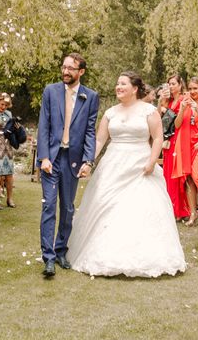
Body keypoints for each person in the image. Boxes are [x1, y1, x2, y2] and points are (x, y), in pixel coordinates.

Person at [67, 72, 186, 277]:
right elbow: (99, 140)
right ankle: (105, 254)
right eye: (117, 83)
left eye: (123, 84)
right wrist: (89, 162)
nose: (118, 87)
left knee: (139, 208)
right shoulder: (110, 113)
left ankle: (143, 256)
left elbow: (158, 138)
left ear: (135, 88)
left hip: (140, 164)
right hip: (113, 164)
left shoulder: (149, 111)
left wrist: (151, 162)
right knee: (106, 206)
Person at [37, 53, 99, 278]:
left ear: (81, 71)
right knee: (49, 205)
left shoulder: (90, 96)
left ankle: (61, 250)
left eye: (71, 68)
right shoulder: (50, 91)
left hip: (72, 160)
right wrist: (43, 157)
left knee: (68, 208)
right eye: (64, 67)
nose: (65, 72)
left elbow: (90, 131)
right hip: (51, 159)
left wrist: (88, 160)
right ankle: (49, 258)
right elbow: (43, 124)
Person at [173, 77, 198, 226]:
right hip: (185, 144)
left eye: (196, 89)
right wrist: (182, 109)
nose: (193, 92)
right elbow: (177, 124)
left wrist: (196, 108)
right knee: (188, 180)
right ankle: (193, 213)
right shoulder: (184, 104)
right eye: (191, 89)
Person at [157, 74, 189, 220]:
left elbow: (178, 122)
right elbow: (158, 117)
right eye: (169, 84)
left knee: (176, 175)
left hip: (178, 138)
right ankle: (168, 207)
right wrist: (160, 101)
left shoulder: (183, 100)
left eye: (174, 84)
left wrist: (170, 112)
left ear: (180, 85)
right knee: (167, 174)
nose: (171, 86)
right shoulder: (168, 100)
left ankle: (178, 210)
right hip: (167, 139)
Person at [0, 94, 16, 208]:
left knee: (9, 172)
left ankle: (10, 199)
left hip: (7, 145)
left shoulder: (8, 114)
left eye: (6, 105)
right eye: (2, 104)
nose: (3, 107)